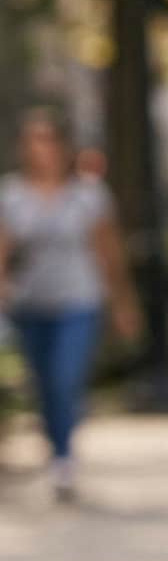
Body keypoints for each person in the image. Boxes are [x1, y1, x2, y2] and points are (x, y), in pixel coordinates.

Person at [0, 108, 139, 502]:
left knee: (64, 378)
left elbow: (109, 254)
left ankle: (64, 459)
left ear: (63, 146)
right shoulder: (11, 194)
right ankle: (57, 446)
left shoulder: (88, 194)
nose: (39, 149)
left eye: (46, 139)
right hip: (30, 304)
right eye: (32, 141)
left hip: (79, 301)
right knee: (44, 385)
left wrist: (123, 305)